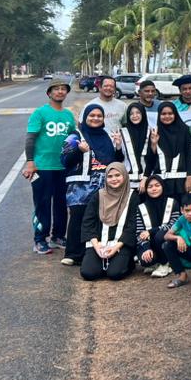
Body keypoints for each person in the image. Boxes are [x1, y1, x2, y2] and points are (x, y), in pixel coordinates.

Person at [61, 104, 123, 266]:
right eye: (92, 115)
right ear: (85, 117)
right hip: (80, 186)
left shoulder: (107, 136)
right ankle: (73, 254)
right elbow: (64, 160)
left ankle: (92, 252)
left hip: (102, 184)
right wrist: (78, 151)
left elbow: (116, 162)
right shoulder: (75, 135)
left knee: (97, 218)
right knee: (78, 216)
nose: (95, 118)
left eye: (99, 116)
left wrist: (118, 147)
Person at [23, 79, 74, 255]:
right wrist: (30, 162)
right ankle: (39, 239)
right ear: (49, 93)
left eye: (63, 89)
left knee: (62, 203)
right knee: (42, 204)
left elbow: (74, 137)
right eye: (56, 89)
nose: (60, 92)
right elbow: (30, 138)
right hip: (42, 167)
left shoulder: (68, 115)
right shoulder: (40, 113)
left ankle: (58, 236)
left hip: (63, 167)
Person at [79, 163, 136, 281]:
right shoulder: (98, 196)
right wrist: (97, 246)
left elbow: (132, 225)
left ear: (124, 176)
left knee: (115, 274)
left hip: (120, 244)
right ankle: (105, 263)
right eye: (110, 176)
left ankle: (126, 262)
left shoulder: (132, 196)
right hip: (99, 243)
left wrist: (116, 247)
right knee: (88, 273)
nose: (114, 179)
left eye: (117, 175)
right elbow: (88, 222)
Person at [147, 101, 191, 199]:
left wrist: (190, 176)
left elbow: (190, 153)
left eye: (170, 113)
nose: (167, 116)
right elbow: (151, 160)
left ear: (175, 114)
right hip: (161, 182)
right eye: (163, 114)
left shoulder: (184, 130)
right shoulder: (155, 132)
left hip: (181, 181)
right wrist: (153, 143)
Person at [134, 174, 180, 278]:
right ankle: (156, 262)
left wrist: (151, 231)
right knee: (145, 260)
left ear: (162, 186)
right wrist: (146, 248)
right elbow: (139, 232)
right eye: (150, 187)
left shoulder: (173, 202)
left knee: (160, 235)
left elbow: (174, 223)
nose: (154, 189)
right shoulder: (141, 207)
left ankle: (165, 264)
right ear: (146, 189)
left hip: (169, 240)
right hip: (151, 243)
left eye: (157, 185)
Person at [119, 101, 151, 189]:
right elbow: (119, 159)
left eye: (138, 113)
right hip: (127, 182)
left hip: (147, 181)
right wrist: (118, 146)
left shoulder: (150, 132)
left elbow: (152, 159)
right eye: (131, 114)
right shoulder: (122, 132)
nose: (135, 116)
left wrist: (145, 179)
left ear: (143, 114)